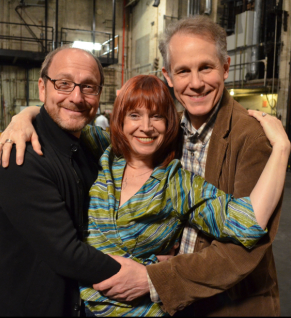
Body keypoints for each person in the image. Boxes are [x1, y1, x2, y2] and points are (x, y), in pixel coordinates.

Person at [0, 15, 285, 316]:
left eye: (206, 67)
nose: (195, 82)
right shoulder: (113, 153)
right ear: (169, 76)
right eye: (183, 70)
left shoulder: (183, 176)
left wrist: (283, 149)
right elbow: (67, 116)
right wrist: (24, 117)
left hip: (200, 304)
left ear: (225, 68)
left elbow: (248, 230)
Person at [78, 74, 286, 316]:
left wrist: (281, 148)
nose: (146, 126)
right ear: (120, 121)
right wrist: (25, 119)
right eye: (134, 115)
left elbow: (248, 223)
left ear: (169, 124)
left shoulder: (177, 184)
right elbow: (57, 126)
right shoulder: (106, 152)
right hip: (83, 305)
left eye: (157, 116)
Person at [0, 45, 122, 317]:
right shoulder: (20, 157)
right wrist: (148, 274)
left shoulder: (91, 146)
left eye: (88, 87)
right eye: (63, 84)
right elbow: (66, 253)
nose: (76, 97)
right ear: (42, 87)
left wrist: (27, 113)